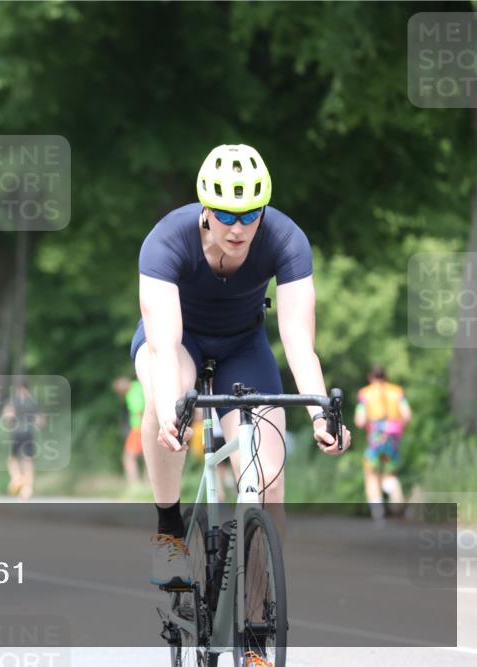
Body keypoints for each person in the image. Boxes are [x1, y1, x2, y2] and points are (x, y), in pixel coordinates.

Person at [129, 144, 351, 600]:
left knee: (270, 485)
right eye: (227, 215)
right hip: (179, 340)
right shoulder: (167, 239)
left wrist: (320, 417)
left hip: (243, 346)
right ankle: (169, 527)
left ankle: (254, 622)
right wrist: (175, 409)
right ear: (206, 210)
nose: (238, 227)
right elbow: (166, 346)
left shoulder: (286, 239)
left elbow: (298, 343)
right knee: (163, 399)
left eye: (250, 214)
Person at [354, 365, 410, 523]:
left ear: (371, 377)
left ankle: (378, 513)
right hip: (392, 436)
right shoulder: (397, 391)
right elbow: (407, 415)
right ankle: (394, 491)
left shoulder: (366, 393)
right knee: (388, 471)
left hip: (375, 437)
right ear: (386, 377)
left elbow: (360, 420)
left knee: (371, 474)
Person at [2, 380, 43, 500]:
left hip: (17, 432)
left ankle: (17, 478)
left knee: (12, 459)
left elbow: (8, 416)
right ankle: (28, 488)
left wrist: (9, 418)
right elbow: (40, 421)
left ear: (18, 389)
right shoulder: (33, 402)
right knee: (28, 460)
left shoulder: (14, 401)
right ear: (28, 389)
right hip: (29, 433)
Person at [113, 377, 146, 490]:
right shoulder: (138, 385)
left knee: (128, 457)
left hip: (138, 428)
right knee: (147, 455)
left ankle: (135, 485)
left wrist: (144, 429)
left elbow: (139, 410)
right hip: (145, 428)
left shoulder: (132, 394)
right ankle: (148, 483)